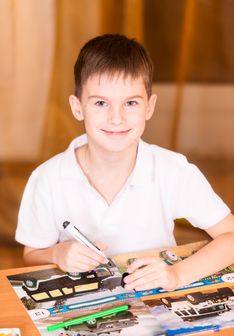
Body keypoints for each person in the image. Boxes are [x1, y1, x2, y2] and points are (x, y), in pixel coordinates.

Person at [15, 34, 234, 292]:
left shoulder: (173, 170)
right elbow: (31, 255)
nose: (116, 118)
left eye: (130, 103)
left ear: (149, 107)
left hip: (156, 305)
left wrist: (176, 275)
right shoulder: (46, 178)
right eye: (100, 103)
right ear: (77, 107)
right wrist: (57, 254)